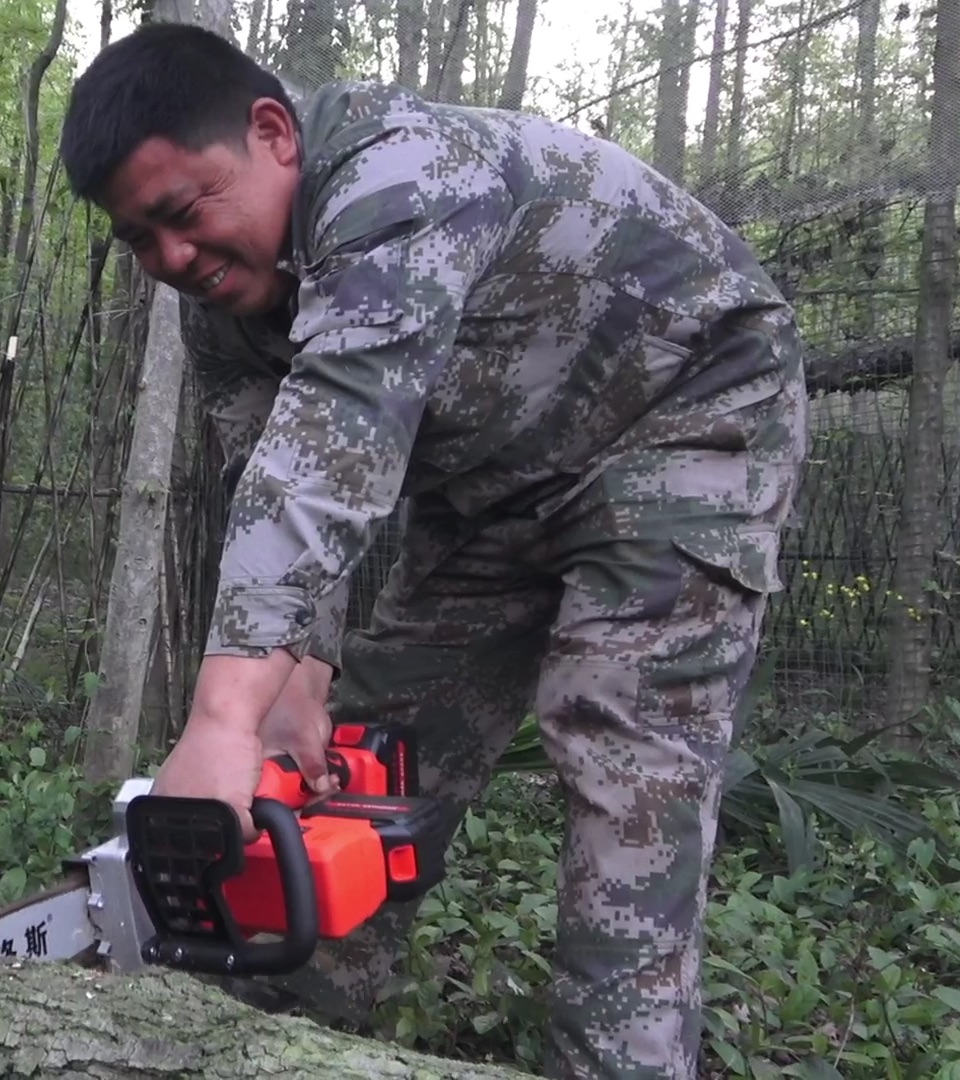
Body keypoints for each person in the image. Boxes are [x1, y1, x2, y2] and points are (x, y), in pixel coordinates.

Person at [56, 20, 808, 1080]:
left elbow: (340, 435)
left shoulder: (397, 175)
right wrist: (294, 679)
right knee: (360, 753)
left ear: (273, 133)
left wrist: (220, 717)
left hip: (683, 419)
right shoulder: (219, 311)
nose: (171, 260)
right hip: (491, 484)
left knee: (621, 759)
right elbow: (269, 477)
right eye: (140, 239)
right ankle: (279, 1035)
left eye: (183, 214)